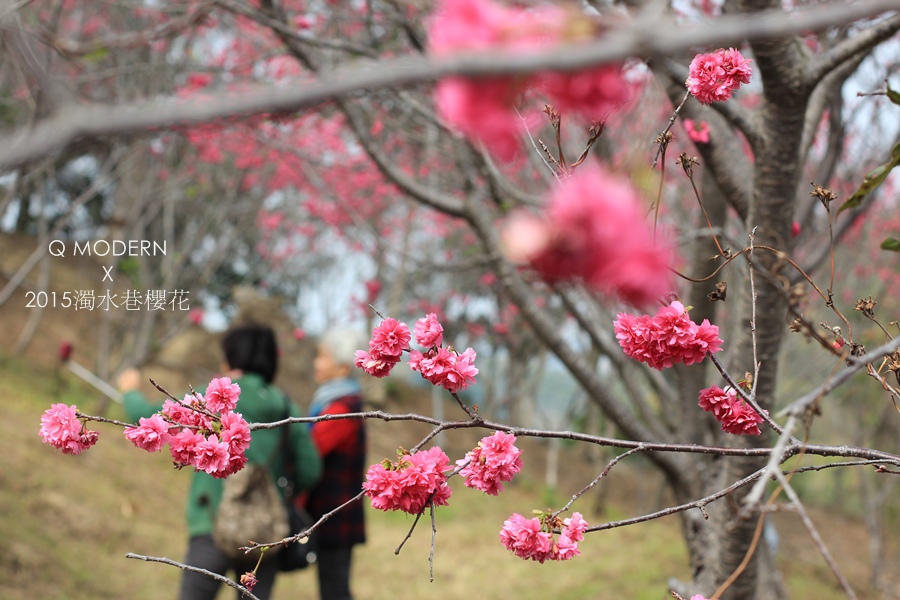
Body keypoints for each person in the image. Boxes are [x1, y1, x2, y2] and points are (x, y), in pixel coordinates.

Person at [117, 323, 322, 600]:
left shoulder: (212, 396)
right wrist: (277, 493)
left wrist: (130, 390)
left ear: (232, 357)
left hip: (210, 521)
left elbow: (149, 419)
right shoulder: (287, 407)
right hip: (263, 531)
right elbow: (310, 468)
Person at [304, 327, 368, 600]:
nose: (316, 363)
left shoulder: (341, 409)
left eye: (323, 357)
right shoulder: (333, 402)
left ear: (342, 367)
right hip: (332, 512)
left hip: (335, 513)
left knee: (334, 589)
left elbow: (310, 451)